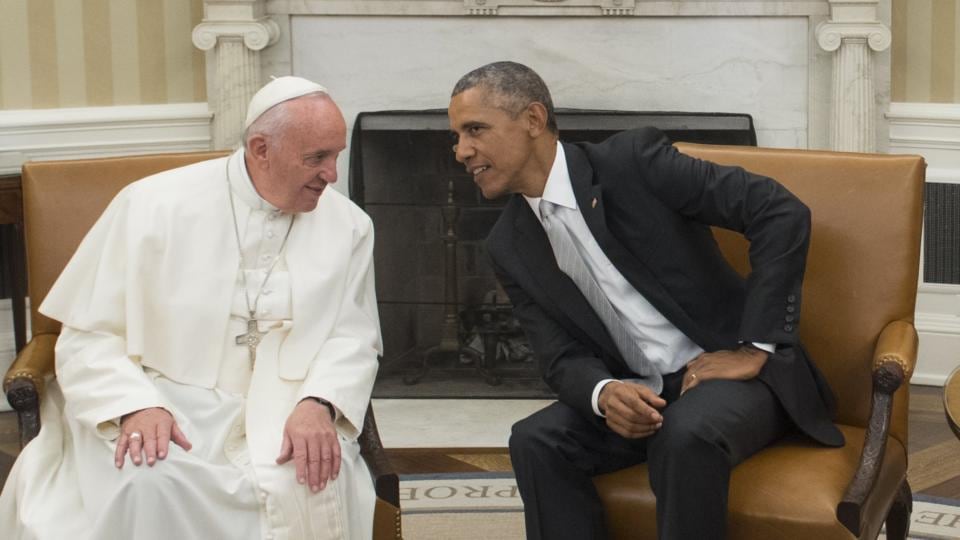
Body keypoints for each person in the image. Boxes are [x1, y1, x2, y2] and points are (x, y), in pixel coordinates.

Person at [447, 61, 844, 539]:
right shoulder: (508, 244)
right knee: (534, 441)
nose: (461, 151)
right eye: (457, 136)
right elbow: (559, 358)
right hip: (643, 392)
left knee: (685, 432)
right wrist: (603, 393)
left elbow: (779, 211)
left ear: (532, 120)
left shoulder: (634, 162)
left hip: (731, 382)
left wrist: (755, 347)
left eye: (475, 130)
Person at [0, 76, 382, 540]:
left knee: (311, 475)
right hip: (162, 397)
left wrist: (318, 403)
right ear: (261, 149)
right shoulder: (151, 206)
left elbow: (353, 337)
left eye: (336, 155)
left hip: (285, 405)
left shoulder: (349, 226)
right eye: (316, 158)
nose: (332, 175)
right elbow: (90, 335)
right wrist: (134, 407)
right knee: (147, 480)